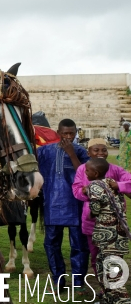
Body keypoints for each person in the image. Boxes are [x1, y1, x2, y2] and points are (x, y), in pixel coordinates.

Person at [37, 118, 90, 289]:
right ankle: (58, 279)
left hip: (76, 204)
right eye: (65, 133)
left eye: (71, 133)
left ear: (75, 133)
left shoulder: (81, 151)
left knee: (79, 245)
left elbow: (86, 176)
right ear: (58, 133)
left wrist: (72, 154)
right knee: (51, 245)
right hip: (52, 203)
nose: (68, 136)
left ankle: (78, 281)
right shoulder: (45, 151)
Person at [72, 138, 131, 273]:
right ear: (89, 153)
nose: (101, 153)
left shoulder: (115, 169)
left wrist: (119, 185)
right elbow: (76, 190)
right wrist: (88, 191)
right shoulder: (83, 169)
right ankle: (104, 288)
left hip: (114, 223)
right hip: (91, 222)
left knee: (114, 257)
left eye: (104, 150)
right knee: (96, 257)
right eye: (96, 150)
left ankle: (115, 288)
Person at [85, 157, 131, 303]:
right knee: (103, 264)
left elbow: (96, 208)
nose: (85, 173)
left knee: (112, 271)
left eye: (87, 170)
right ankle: (108, 298)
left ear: (96, 173)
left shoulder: (94, 186)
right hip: (120, 232)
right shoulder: (112, 183)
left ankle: (123, 300)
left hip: (107, 234)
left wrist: (92, 212)